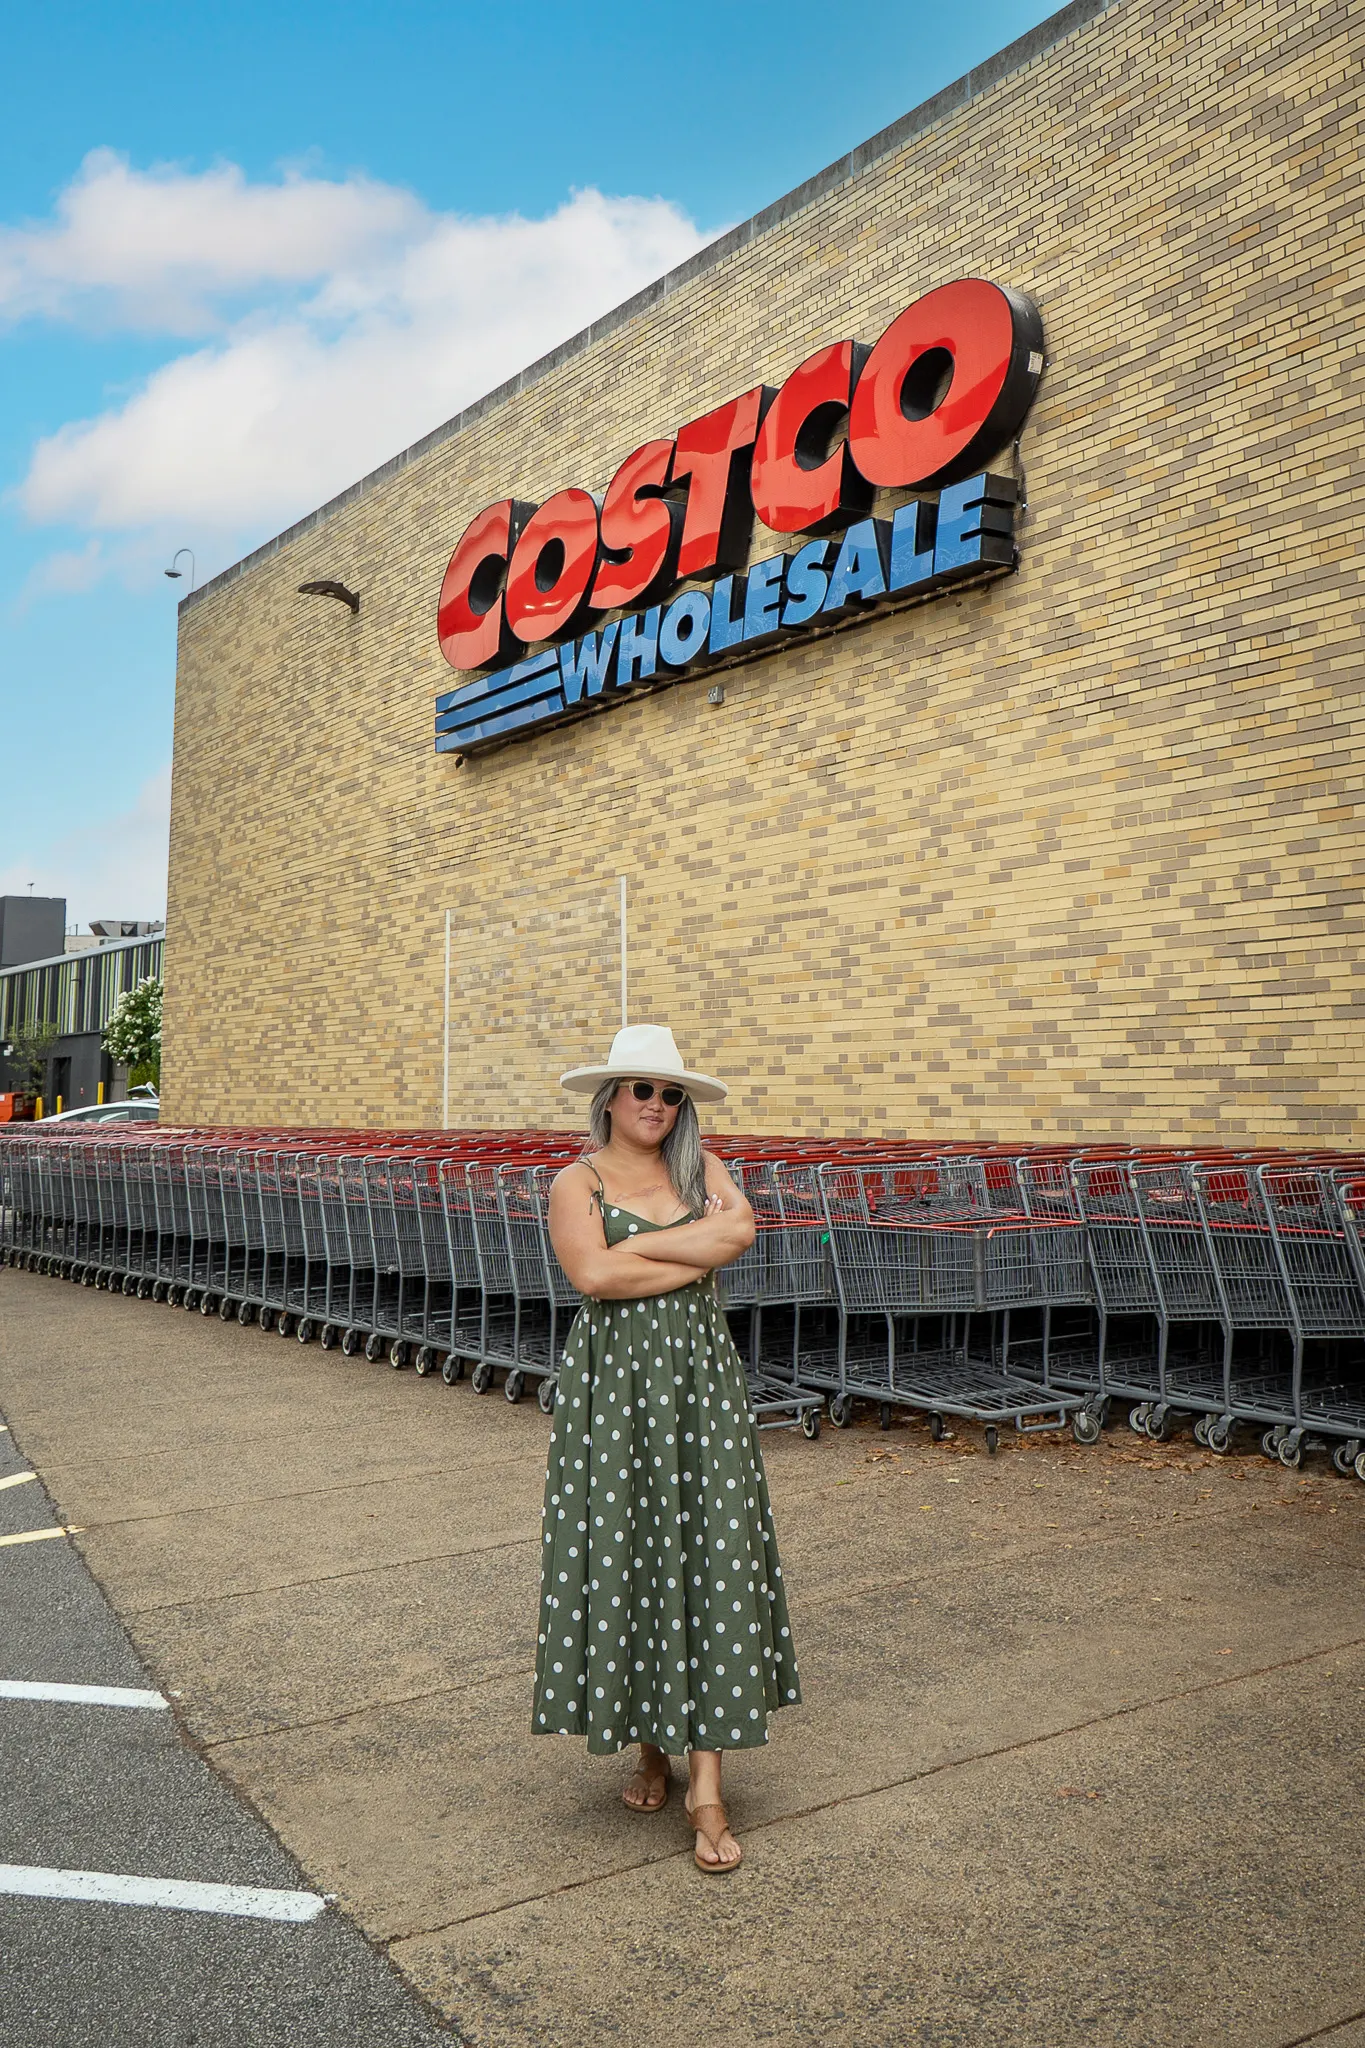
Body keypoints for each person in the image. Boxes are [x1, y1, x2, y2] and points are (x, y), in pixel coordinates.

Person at [534, 1023, 801, 1873]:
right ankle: (650, 1747)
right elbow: (593, 1278)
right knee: (632, 1551)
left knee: (711, 1552)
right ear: (609, 1098)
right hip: (612, 1391)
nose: (656, 1103)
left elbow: (739, 1234)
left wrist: (639, 1245)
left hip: (699, 1384)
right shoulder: (574, 1181)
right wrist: (690, 1253)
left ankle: (707, 1790)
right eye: (642, 1088)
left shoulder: (700, 1169)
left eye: (670, 1093)